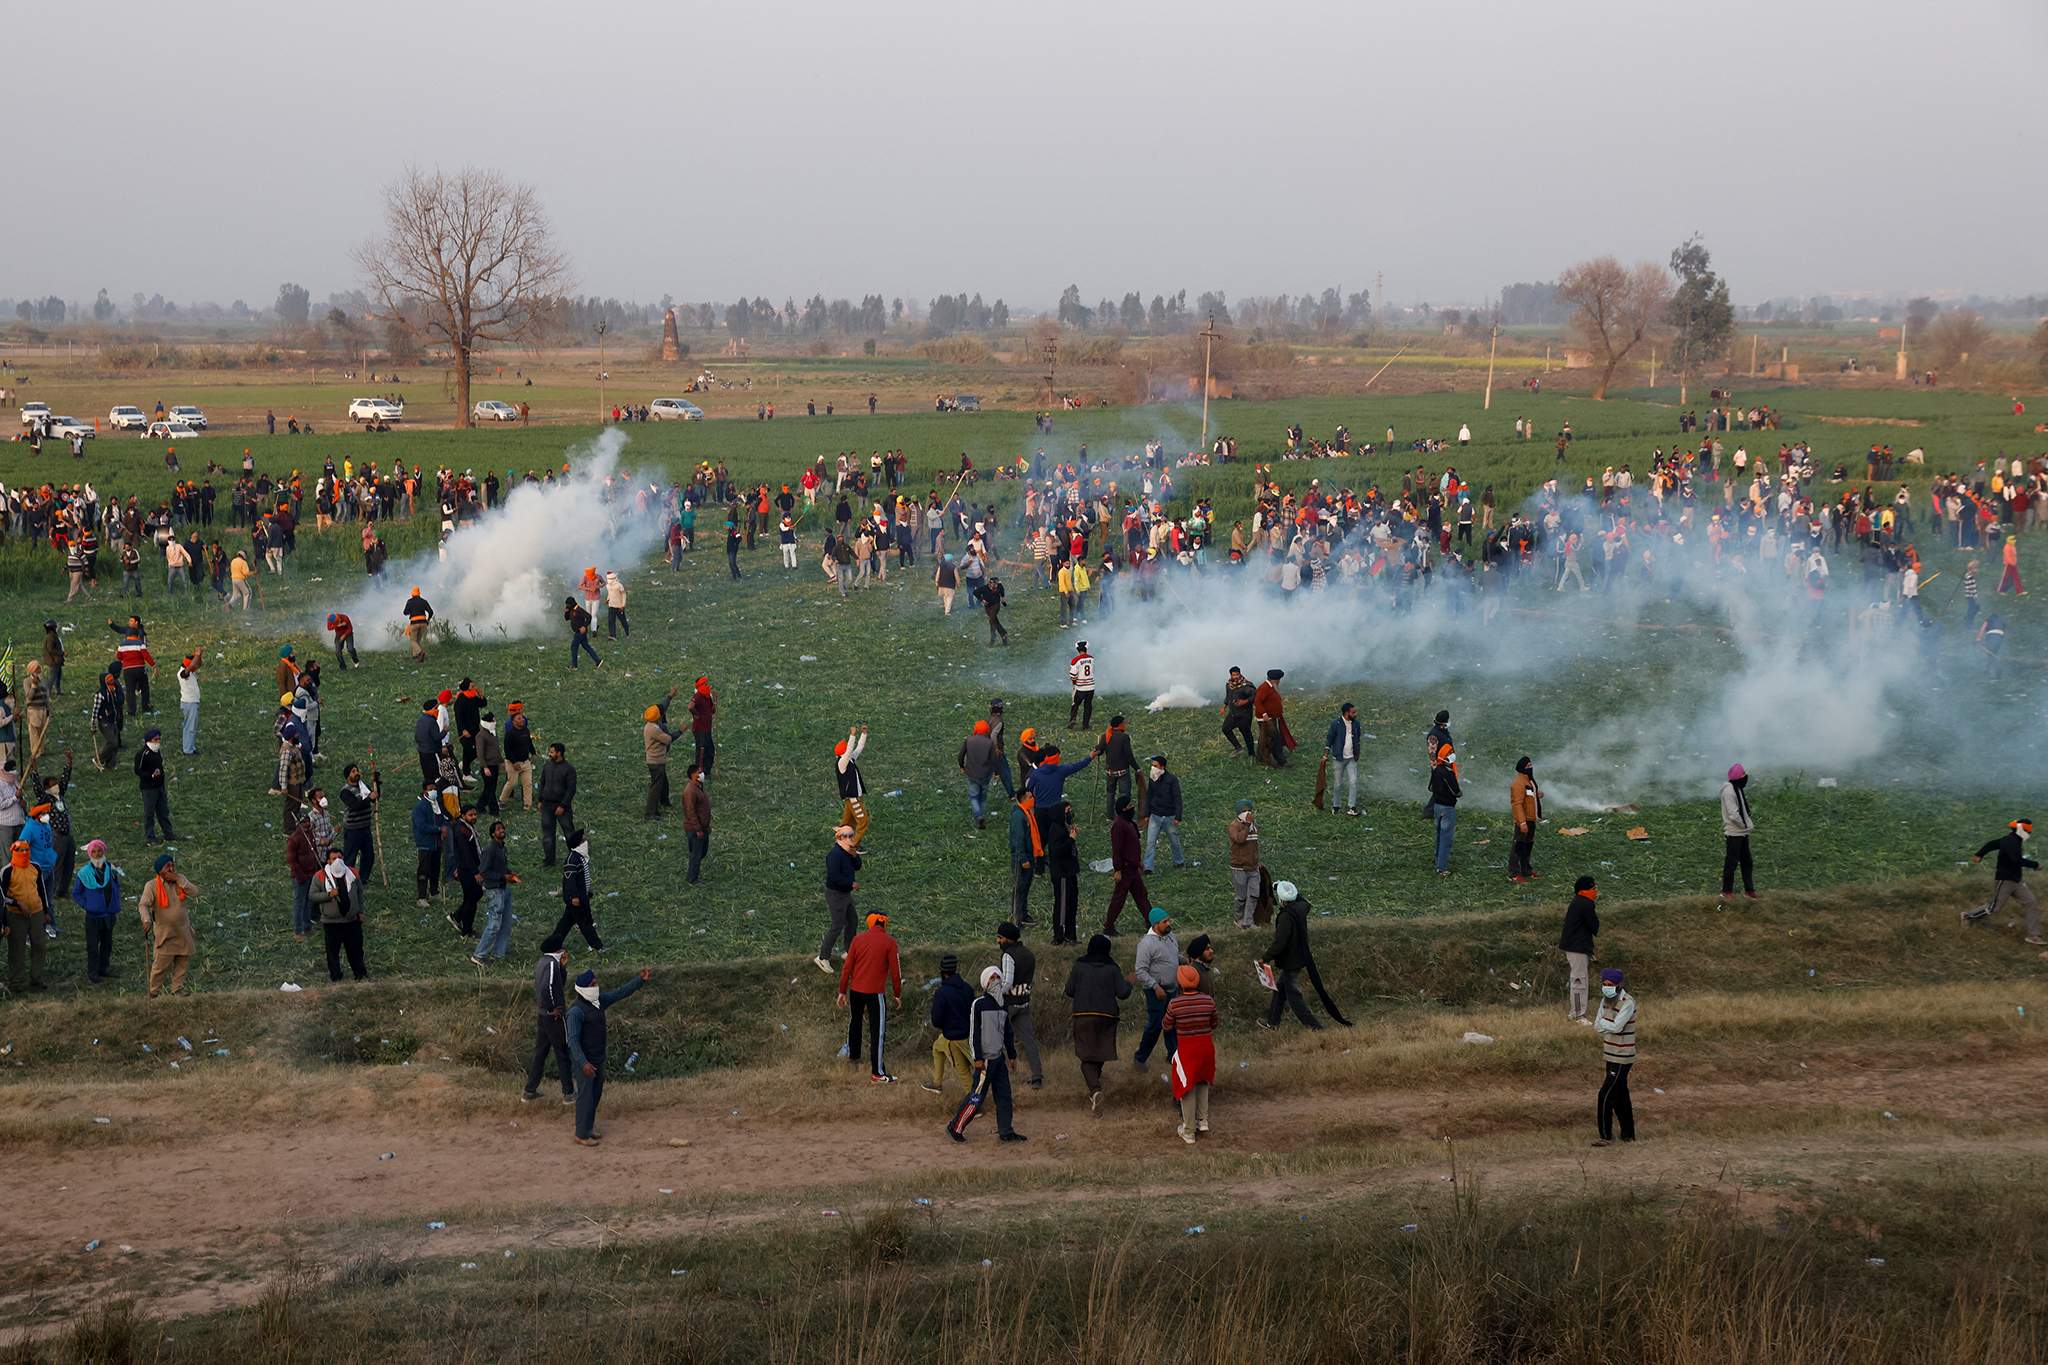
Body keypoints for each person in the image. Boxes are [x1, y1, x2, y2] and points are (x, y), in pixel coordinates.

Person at [567, 966, 654, 1145]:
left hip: (598, 1058)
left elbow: (619, 993)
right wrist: (584, 1063)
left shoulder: (598, 1001)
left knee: (596, 1094)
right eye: (593, 984)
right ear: (584, 989)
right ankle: (581, 1134)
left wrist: (639, 981)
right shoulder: (576, 1012)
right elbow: (573, 1041)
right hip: (585, 1061)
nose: (596, 985)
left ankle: (588, 1127)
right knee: (585, 1096)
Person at [948, 966, 1025, 1142]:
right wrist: (977, 1058)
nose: (996, 980)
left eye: (999, 977)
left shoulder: (1003, 1005)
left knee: (1004, 1095)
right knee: (977, 1097)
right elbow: (974, 1033)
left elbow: (1008, 1032)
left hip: (999, 1059)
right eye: (992, 978)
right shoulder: (979, 1004)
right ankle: (956, 1126)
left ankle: (1006, 1131)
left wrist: (1012, 1055)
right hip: (985, 1061)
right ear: (985, 983)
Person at [1064, 934, 1130, 1115]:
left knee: (1086, 1057)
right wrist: (1129, 983)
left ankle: (1095, 1090)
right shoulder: (1112, 968)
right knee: (1099, 1053)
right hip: (1107, 1016)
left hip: (1083, 1015)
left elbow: (1069, 991)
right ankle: (1095, 1089)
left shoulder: (1079, 965)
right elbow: (1123, 993)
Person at [837, 912, 902, 1082]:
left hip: (856, 991)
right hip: (875, 993)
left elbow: (847, 968)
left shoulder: (858, 940)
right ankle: (877, 1072)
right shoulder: (890, 942)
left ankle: (854, 1056)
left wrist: (842, 991)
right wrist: (897, 993)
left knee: (855, 1022)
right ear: (884, 924)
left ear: (869, 923)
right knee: (877, 1031)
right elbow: (895, 972)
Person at [1164, 964, 1218, 1142]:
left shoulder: (1175, 1004)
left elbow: (1166, 1025)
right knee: (1202, 1081)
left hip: (1187, 1049)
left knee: (1186, 1087)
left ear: (1179, 982)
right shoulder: (1208, 1001)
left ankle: (1188, 1131)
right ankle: (1203, 1120)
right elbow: (1214, 1023)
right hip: (1206, 1047)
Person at [1260, 880, 1323, 1031]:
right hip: (1299, 956)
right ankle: (1272, 1022)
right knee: (1280, 990)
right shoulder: (1301, 908)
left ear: (1282, 901)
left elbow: (1280, 943)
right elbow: (1301, 899)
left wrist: (1265, 958)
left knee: (1294, 997)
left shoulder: (1285, 917)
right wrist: (1283, 885)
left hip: (1290, 961)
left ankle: (1314, 1027)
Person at [1972, 819, 2043, 945]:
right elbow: (2016, 860)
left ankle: (2034, 935)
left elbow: (1992, 844)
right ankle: (1967, 916)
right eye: (2027, 831)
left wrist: (1980, 854)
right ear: (2021, 830)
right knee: (1993, 908)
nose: (2029, 834)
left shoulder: (2012, 840)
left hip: (2016, 880)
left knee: (2031, 903)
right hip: (2005, 879)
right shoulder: (2011, 842)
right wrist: (2035, 864)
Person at [523, 944, 577, 1104]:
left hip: (542, 1015)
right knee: (562, 1053)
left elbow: (554, 984)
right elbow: (551, 988)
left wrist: (563, 968)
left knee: (540, 1053)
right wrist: (555, 1008)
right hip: (554, 1016)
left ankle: (529, 1091)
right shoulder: (552, 964)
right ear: (560, 951)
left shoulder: (542, 962)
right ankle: (569, 1093)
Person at [137, 852, 196, 997]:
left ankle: (177, 989)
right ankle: (153, 992)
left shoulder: (180, 880)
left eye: (172, 865)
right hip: (165, 933)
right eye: (167, 866)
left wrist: (180, 879)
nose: (171, 869)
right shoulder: (151, 886)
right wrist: (146, 920)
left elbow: (194, 892)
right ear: (159, 870)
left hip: (183, 930)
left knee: (182, 961)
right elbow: (143, 905)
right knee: (161, 966)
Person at [1591, 968, 1637, 1146]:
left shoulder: (1628, 1002)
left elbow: (1617, 1027)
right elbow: (1597, 1026)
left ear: (1619, 985)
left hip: (1622, 1055)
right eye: (1604, 984)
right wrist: (1607, 1024)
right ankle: (1628, 1135)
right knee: (1620, 1095)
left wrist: (1605, 1023)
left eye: (1610, 985)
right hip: (1609, 1053)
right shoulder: (1605, 1000)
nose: (1606, 987)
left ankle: (1605, 1136)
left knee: (1605, 1094)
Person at [995, 921, 1043, 1087]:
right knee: (1029, 1041)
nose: (998, 941)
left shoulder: (1008, 955)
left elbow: (1007, 983)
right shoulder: (1029, 954)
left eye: (1000, 938)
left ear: (1008, 939)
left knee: (996, 1039)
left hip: (1009, 1004)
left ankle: (998, 1076)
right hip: (1024, 1003)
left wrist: (994, 994)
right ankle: (1037, 1077)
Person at [1132, 907, 1179, 1066]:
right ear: (1155, 924)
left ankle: (1173, 1056)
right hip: (1157, 992)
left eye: (1168, 920)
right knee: (1155, 1025)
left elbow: (1171, 955)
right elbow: (1140, 971)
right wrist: (1155, 987)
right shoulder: (1146, 944)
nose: (1168, 923)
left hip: (1173, 989)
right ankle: (1140, 1058)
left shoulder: (1170, 936)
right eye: (1165, 922)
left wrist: (1182, 960)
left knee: (1172, 1024)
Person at [311, 853, 368, 982]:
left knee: (356, 950)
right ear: (328, 861)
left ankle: (360, 974)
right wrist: (329, 894)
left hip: (352, 921)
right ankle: (336, 977)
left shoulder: (353, 873)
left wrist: (360, 911)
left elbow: (359, 893)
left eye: (340, 857)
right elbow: (313, 896)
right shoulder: (320, 875)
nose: (338, 861)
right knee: (332, 953)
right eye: (334, 858)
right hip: (331, 923)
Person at [72, 839, 123, 985]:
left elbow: (116, 886)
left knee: (107, 944)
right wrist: (87, 905)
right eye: (93, 851)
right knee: (93, 946)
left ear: (104, 851)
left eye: (99, 850)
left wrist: (114, 903)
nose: (97, 854)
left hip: (109, 914)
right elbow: (76, 893)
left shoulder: (111, 869)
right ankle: (93, 972)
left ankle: (104, 968)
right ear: (89, 854)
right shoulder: (84, 873)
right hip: (93, 916)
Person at [923, 953, 973, 1095]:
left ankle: (974, 1104)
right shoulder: (967, 988)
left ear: (942, 971)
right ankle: (937, 1083)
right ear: (955, 969)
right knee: (937, 1048)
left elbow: (936, 1020)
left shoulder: (942, 993)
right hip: (968, 1033)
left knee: (962, 1070)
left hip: (953, 1038)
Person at [815, 823, 862, 972]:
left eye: (851, 835)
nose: (850, 838)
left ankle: (849, 952)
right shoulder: (834, 855)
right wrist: (851, 883)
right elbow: (834, 878)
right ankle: (822, 958)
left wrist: (855, 857)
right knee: (837, 925)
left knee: (852, 921)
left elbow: (857, 866)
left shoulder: (848, 852)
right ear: (839, 838)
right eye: (846, 836)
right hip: (836, 894)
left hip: (845, 894)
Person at [2, 840, 47, 993]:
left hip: (36, 912)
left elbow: (42, 891)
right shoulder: (7, 871)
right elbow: (2, 897)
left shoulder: (35, 868)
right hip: (15, 915)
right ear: (13, 851)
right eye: (20, 850)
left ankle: (37, 979)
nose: (24, 853)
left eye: (26, 850)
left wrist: (46, 912)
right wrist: (17, 903)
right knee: (17, 949)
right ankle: (16, 982)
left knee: (39, 945)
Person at [472, 820, 520, 964]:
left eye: (503, 828)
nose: (502, 831)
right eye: (499, 829)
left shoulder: (502, 848)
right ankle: (479, 954)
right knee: (494, 924)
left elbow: (502, 868)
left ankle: (499, 952)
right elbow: (484, 872)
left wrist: (510, 875)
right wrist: (503, 876)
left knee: (506, 923)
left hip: (504, 888)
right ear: (493, 834)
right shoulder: (490, 850)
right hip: (495, 890)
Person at [549, 828, 602, 951]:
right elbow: (570, 880)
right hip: (576, 899)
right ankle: (598, 946)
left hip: (580, 897)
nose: (586, 842)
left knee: (565, 924)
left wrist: (587, 892)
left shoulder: (579, 858)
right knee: (586, 923)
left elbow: (581, 879)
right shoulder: (573, 859)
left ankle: (553, 945)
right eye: (583, 840)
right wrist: (574, 896)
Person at [1559, 875, 1599, 1023]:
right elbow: (1594, 926)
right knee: (1579, 981)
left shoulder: (1578, 902)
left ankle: (1577, 1012)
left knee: (1579, 980)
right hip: (1577, 948)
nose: (1595, 891)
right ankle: (1577, 1014)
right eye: (1593, 888)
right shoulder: (1585, 904)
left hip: (1576, 946)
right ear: (1584, 890)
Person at [1720, 762, 1758, 899]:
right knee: (1732, 862)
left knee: (1747, 862)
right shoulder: (1729, 791)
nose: (1745, 778)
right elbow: (1733, 814)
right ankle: (1726, 891)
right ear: (1738, 778)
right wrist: (1744, 826)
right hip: (1734, 832)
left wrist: (1745, 827)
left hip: (1742, 832)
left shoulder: (1737, 788)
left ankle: (1749, 890)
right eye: (1743, 775)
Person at [1140, 754, 1184, 874]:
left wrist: (1178, 816)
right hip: (1155, 815)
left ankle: (1179, 861)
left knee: (1174, 841)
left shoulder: (1172, 780)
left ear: (1162, 767)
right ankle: (1148, 867)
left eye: (1155, 766)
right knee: (1150, 842)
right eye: (1152, 766)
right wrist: (1147, 814)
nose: (1152, 768)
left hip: (1169, 816)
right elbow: (1149, 796)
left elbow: (1177, 798)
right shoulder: (1153, 778)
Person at [537, 743, 577, 867]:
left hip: (561, 807)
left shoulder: (569, 769)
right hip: (547, 805)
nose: (549, 754)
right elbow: (542, 782)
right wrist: (540, 800)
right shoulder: (547, 766)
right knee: (548, 835)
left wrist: (563, 806)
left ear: (559, 753)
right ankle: (549, 860)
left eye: (552, 752)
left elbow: (571, 789)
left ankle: (576, 859)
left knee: (569, 833)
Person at [643, 693, 681, 819]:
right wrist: (680, 731)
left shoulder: (649, 725)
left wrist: (670, 696)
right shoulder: (654, 729)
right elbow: (668, 739)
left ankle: (663, 801)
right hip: (656, 761)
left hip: (656, 760)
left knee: (663, 782)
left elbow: (662, 706)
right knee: (656, 786)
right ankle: (651, 812)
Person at [1322, 703, 1363, 816]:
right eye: (1353, 712)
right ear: (1346, 713)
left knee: (1353, 782)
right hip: (1339, 758)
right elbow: (1329, 739)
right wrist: (1325, 754)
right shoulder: (1336, 724)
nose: (1355, 714)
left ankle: (1351, 807)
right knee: (1338, 784)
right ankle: (1336, 806)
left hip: (1351, 758)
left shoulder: (1356, 724)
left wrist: (1357, 752)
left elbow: (1357, 738)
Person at [958, 720, 999, 829]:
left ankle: (979, 816)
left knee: (973, 796)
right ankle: (981, 815)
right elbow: (994, 760)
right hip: (985, 774)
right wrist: (996, 772)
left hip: (971, 773)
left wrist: (961, 766)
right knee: (983, 797)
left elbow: (961, 755)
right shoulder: (990, 743)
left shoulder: (969, 740)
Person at [833, 726, 870, 849]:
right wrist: (852, 735)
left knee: (848, 822)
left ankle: (841, 839)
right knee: (862, 821)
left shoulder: (850, 760)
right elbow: (850, 750)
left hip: (854, 798)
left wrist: (864, 734)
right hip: (853, 798)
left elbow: (858, 748)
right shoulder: (842, 763)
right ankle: (853, 844)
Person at [1427, 741, 1460, 875]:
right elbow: (1456, 791)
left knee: (1439, 835)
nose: (1453, 755)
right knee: (1446, 838)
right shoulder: (1448, 773)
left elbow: (1430, 787)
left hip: (1437, 806)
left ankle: (1437, 859)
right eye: (1450, 753)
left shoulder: (1437, 770)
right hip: (1448, 808)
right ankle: (1442, 867)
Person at [135, 729, 174, 843]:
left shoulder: (157, 752)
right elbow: (138, 770)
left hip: (159, 786)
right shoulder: (142, 754)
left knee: (163, 811)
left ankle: (168, 833)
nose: (158, 742)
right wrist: (150, 776)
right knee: (149, 813)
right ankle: (150, 836)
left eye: (159, 739)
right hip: (148, 789)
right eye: (155, 739)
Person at [1227, 799, 1261, 928]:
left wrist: (1257, 860)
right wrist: (1246, 825)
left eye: (1249, 811)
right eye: (1245, 811)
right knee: (1241, 897)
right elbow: (1239, 840)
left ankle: (1248, 922)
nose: (1248, 813)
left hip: (1253, 867)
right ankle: (1238, 919)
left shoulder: (1254, 826)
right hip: (1239, 868)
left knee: (1253, 895)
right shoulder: (1233, 826)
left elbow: (1255, 845)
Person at [411, 782, 446, 908]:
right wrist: (438, 829)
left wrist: (443, 828)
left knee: (435, 868)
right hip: (425, 843)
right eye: (431, 789)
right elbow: (422, 826)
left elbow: (442, 820)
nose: (434, 791)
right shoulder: (420, 807)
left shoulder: (437, 804)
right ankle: (421, 896)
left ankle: (434, 891)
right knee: (424, 870)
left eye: (435, 789)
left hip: (436, 843)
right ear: (425, 791)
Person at [1508, 757, 1543, 883]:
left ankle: (1526, 870)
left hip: (1531, 820)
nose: (1531, 767)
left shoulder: (1529, 781)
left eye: (1531, 765)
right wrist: (1522, 822)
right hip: (1524, 821)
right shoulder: (1518, 784)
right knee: (1518, 847)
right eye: (1528, 765)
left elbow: (1529, 796)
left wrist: (1537, 794)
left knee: (1527, 846)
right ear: (1522, 768)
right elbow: (1517, 804)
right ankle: (1514, 873)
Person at [1253, 669, 1293, 768]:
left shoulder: (1270, 687)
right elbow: (1257, 701)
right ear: (1275, 680)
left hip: (1271, 717)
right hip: (1266, 719)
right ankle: (1279, 761)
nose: (1279, 682)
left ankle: (1261, 757)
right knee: (1274, 739)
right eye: (1279, 680)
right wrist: (1264, 714)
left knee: (1265, 738)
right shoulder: (1264, 688)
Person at [681, 763, 711, 884]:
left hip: (702, 827)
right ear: (692, 775)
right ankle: (692, 878)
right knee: (697, 854)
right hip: (695, 828)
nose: (701, 774)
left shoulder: (698, 786)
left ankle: (693, 873)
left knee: (701, 851)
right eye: (698, 772)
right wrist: (698, 829)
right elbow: (690, 811)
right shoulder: (690, 791)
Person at [1219, 666, 1257, 758]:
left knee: (1246, 733)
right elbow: (1228, 697)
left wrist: (1244, 701)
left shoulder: (1246, 686)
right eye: (1233, 675)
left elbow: (1255, 696)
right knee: (1225, 729)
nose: (1235, 676)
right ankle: (1238, 747)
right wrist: (1224, 707)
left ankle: (1252, 754)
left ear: (1240, 674)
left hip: (1244, 714)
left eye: (1237, 674)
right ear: (1231, 675)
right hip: (1233, 713)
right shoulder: (1229, 685)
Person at [688, 677, 717, 776]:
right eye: (704, 684)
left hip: (707, 728)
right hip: (700, 729)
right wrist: (696, 714)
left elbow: (712, 711)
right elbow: (690, 706)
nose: (707, 685)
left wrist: (715, 701)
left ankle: (706, 771)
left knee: (709, 750)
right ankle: (698, 772)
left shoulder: (707, 696)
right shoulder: (698, 696)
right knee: (701, 751)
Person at [563, 596, 602, 668]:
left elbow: (589, 616)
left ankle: (574, 666)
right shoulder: (571, 610)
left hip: (580, 632)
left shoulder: (578, 610)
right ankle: (598, 661)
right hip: (578, 632)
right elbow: (567, 618)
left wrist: (584, 626)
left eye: (568, 605)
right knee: (586, 646)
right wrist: (566, 612)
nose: (567, 606)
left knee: (573, 647)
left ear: (572, 604)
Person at [174, 654, 202, 756]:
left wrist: (199, 655)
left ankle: (190, 747)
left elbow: (198, 664)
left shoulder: (189, 671)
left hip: (192, 703)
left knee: (191, 726)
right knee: (190, 727)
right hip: (189, 703)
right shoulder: (183, 673)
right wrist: (197, 655)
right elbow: (191, 667)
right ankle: (188, 749)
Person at [1067, 641, 1096, 729]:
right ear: (1086, 648)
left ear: (1077, 649)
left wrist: (1074, 683)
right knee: (1088, 706)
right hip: (1091, 687)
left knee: (1075, 704)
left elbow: (1073, 675)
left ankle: (1072, 720)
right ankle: (1085, 725)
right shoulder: (1092, 659)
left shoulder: (1076, 660)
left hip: (1080, 687)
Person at [401, 585, 434, 662]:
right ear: (419, 593)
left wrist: (411, 610)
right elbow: (431, 612)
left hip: (414, 623)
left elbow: (405, 612)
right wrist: (428, 620)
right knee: (417, 641)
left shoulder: (409, 601)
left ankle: (420, 653)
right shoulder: (424, 601)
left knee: (413, 641)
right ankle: (415, 655)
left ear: (412, 593)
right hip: (423, 623)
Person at [603, 571, 630, 638]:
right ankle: (612, 635)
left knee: (623, 620)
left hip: (619, 606)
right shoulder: (608, 586)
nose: (609, 581)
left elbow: (624, 595)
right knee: (611, 621)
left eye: (610, 579)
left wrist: (623, 605)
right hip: (611, 606)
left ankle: (627, 632)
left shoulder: (619, 585)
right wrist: (607, 599)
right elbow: (610, 593)